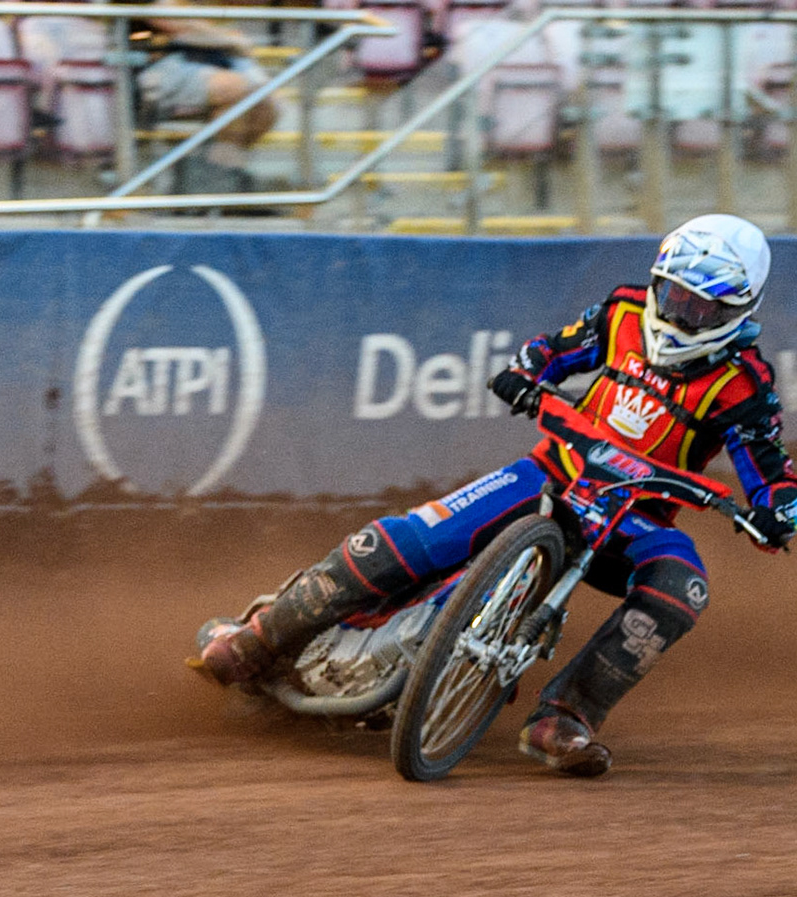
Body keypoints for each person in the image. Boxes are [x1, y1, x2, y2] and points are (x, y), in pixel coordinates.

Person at [195, 214, 797, 777]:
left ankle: (565, 717)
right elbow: (554, 350)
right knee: (408, 539)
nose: (680, 314)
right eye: (673, 295)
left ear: (739, 310)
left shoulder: (745, 387)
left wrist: (778, 513)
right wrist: (525, 372)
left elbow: (770, 472)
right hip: (549, 473)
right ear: (657, 283)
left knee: (683, 586)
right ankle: (258, 640)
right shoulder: (622, 312)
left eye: (700, 307)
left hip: (631, 519)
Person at [129, 6, 278, 191]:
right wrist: (229, 40)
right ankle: (214, 182)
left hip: (196, 61)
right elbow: (170, 21)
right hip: (143, 69)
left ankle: (222, 178)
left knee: (265, 104)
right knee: (236, 88)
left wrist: (221, 37)